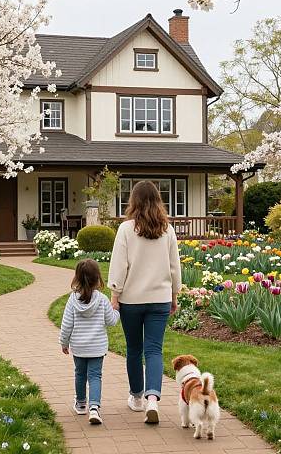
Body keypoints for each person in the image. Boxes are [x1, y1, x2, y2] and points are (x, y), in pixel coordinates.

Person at [108, 180, 182, 424]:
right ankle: (153, 398)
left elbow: (119, 264)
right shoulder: (167, 230)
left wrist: (114, 294)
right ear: (158, 201)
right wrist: (174, 295)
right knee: (154, 349)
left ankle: (137, 398)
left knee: (134, 349)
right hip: (159, 298)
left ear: (133, 201)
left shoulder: (127, 229)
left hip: (132, 299)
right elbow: (174, 267)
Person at [59, 258, 120, 425]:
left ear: (77, 277)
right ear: (97, 278)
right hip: (97, 347)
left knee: (80, 374)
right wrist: (116, 310)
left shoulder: (73, 300)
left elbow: (66, 324)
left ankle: (80, 404)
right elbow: (112, 321)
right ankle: (94, 408)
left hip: (78, 346)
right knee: (95, 376)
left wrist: (64, 343)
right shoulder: (101, 299)